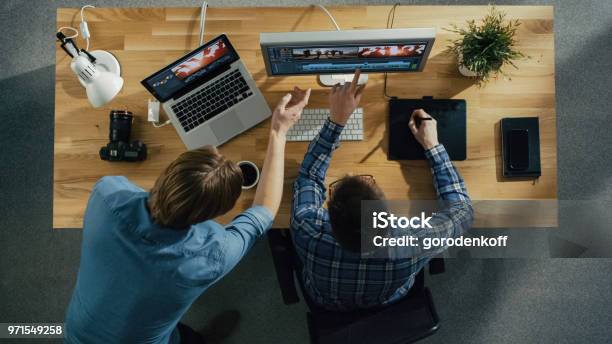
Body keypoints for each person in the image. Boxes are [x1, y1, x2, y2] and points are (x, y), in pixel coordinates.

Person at [65, 87, 311, 343]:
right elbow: (265, 211)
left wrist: (187, 181)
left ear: (167, 173)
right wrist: (278, 131)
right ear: (217, 214)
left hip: (80, 333)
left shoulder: (107, 194)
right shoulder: (213, 255)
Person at [291, 69, 473, 311]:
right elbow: (463, 211)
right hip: (389, 297)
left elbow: (308, 177)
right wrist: (433, 146)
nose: (351, 175)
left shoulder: (308, 229)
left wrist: (336, 120)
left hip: (327, 301)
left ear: (329, 217)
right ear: (388, 217)